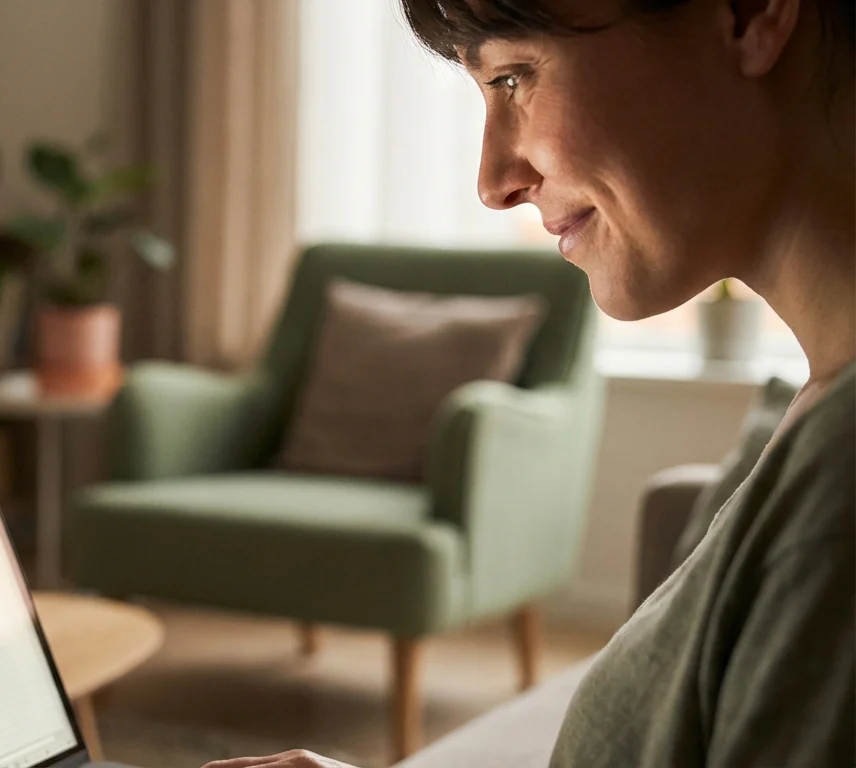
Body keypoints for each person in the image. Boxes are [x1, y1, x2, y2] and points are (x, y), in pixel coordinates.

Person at [205, 0, 854, 765]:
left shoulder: (840, 486)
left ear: (747, 15)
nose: (493, 181)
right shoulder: (815, 421)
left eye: (515, 76)